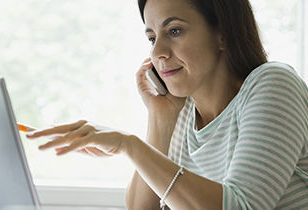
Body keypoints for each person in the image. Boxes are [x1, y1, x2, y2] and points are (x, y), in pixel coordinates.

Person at [26, 0, 308, 209]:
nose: (157, 52)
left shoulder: (273, 84)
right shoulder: (183, 111)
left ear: (222, 33)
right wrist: (159, 120)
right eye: (152, 37)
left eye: (174, 31)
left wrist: (130, 145)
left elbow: (242, 206)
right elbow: (141, 209)